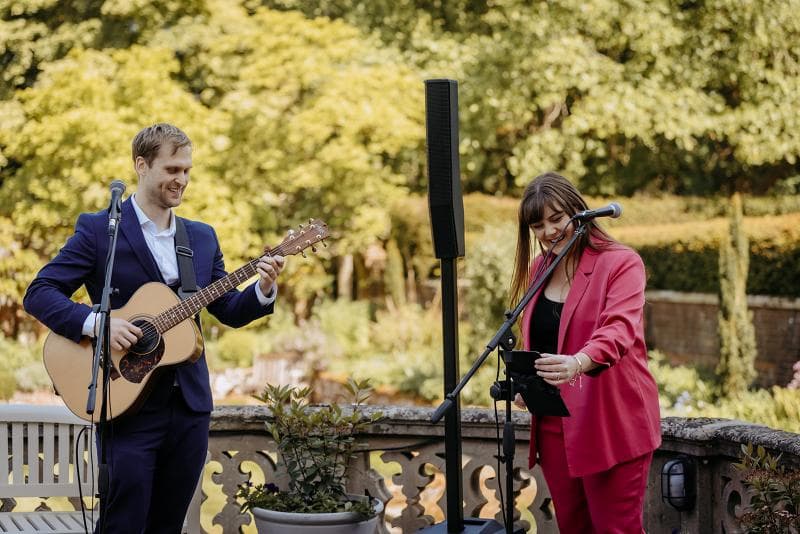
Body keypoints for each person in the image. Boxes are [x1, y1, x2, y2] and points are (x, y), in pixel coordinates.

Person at [23, 123, 285, 534]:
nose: (181, 180)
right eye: (172, 169)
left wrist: (263, 288)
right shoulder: (99, 230)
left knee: (167, 524)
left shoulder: (200, 237)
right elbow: (40, 292)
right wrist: (98, 323)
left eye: (186, 170)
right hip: (124, 404)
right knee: (122, 523)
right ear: (141, 165)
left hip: (189, 408)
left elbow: (228, 310)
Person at [509, 172, 661, 533]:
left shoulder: (621, 263)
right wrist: (526, 382)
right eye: (538, 225)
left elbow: (619, 330)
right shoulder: (540, 268)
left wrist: (578, 362)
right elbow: (539, 337)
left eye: (557, 218)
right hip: (554, 424)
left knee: (614, 529)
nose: (549, 231)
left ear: (579, 212)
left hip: (610, 421)